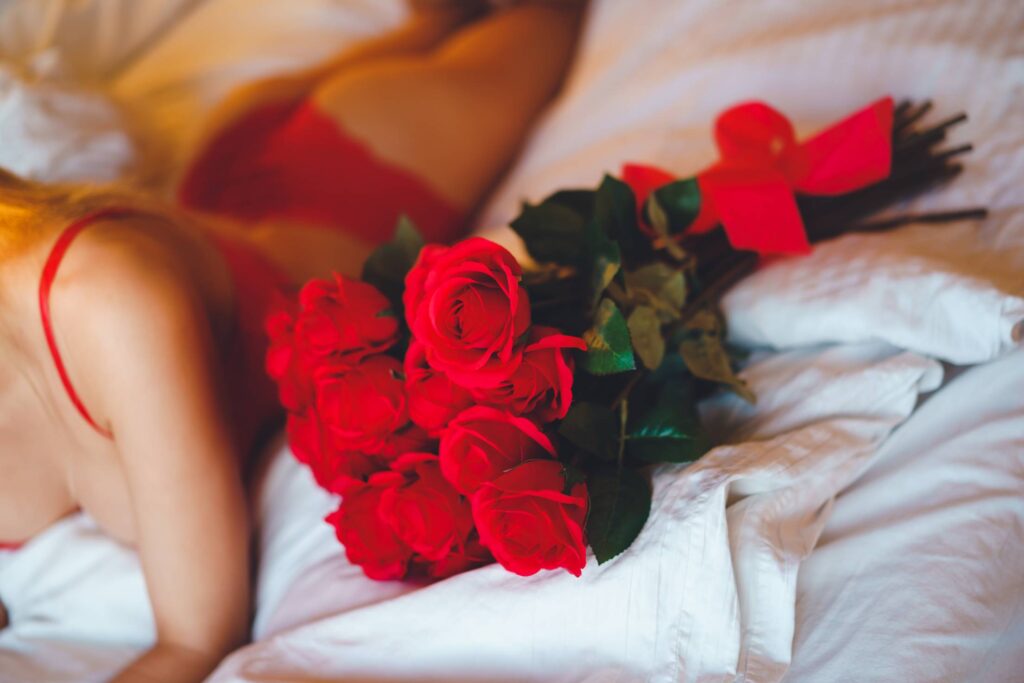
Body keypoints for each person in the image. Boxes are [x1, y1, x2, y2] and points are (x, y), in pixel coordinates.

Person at [0, 2, 585, 681]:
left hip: (339, 184)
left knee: (541, 26)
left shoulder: (106, 307)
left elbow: (196, 638)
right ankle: (421, 27)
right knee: (428, 31)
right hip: (218, 196)